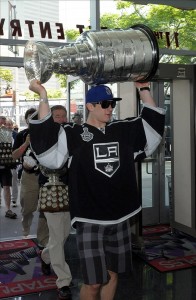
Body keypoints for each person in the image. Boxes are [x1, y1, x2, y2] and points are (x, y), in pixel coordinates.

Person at [29, 79, 165, 300]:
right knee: (93, 283)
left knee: (112, 275)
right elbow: (46, 142)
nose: (110, 107)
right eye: (104, 103)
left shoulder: (123, 130)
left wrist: (144, 88)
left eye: (112, 103)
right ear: (90, 106)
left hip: (121, 218)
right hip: (90, 220)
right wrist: (43, 95)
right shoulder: (73, 133)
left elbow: (152, 126)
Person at [38, 104, 72, 300]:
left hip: (70, 193)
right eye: (57, 116)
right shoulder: (44, 138)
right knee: (58, 237)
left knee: (64, 235)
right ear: (51, 118)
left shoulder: (71, 136)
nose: (60, 118)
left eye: (62, 115)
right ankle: (63, 281)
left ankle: (46, 256)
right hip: (51, 194)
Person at [12, 108, 47, 242]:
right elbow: (13, 157)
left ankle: (42, 239)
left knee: (45, 209)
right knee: (28, 207)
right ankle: (25, 224)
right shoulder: (22, 135)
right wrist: (26, 143)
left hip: (46, 176)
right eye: (31, 119)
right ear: (27, 121)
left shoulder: (48, 134)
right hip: (29, 176)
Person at [0, 116, 17, 218]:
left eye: (3, 123)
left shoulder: (10, 135)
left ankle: (8, 209)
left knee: (7, 187)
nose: (2, 125)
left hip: (6, 165)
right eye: (0, 123)